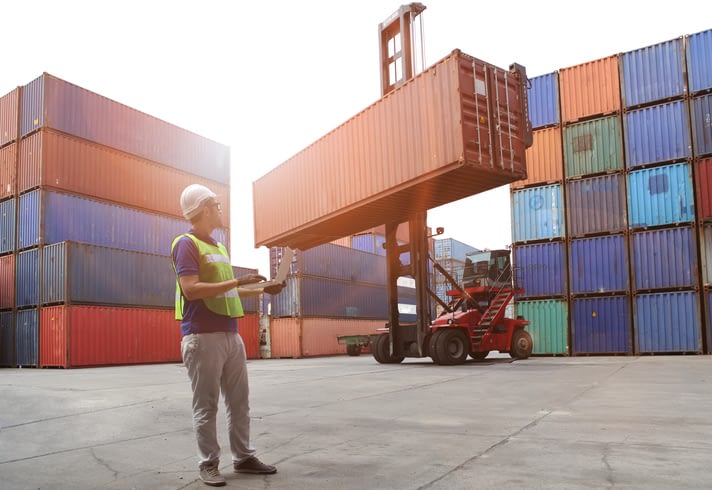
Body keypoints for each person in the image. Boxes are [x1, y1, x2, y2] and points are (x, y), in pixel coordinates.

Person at [171, 183, 283, 487]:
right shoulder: (186, 243)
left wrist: (263, 288)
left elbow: (231, 289)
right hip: (202, 336)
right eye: (216, 205)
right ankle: (208, 463)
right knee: (206, 405)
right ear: (204, 209)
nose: (220, 210)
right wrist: (237, 280)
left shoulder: (218, 246)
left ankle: (244, 457)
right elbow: (190, 288)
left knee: (239, 401)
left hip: (230, 334)